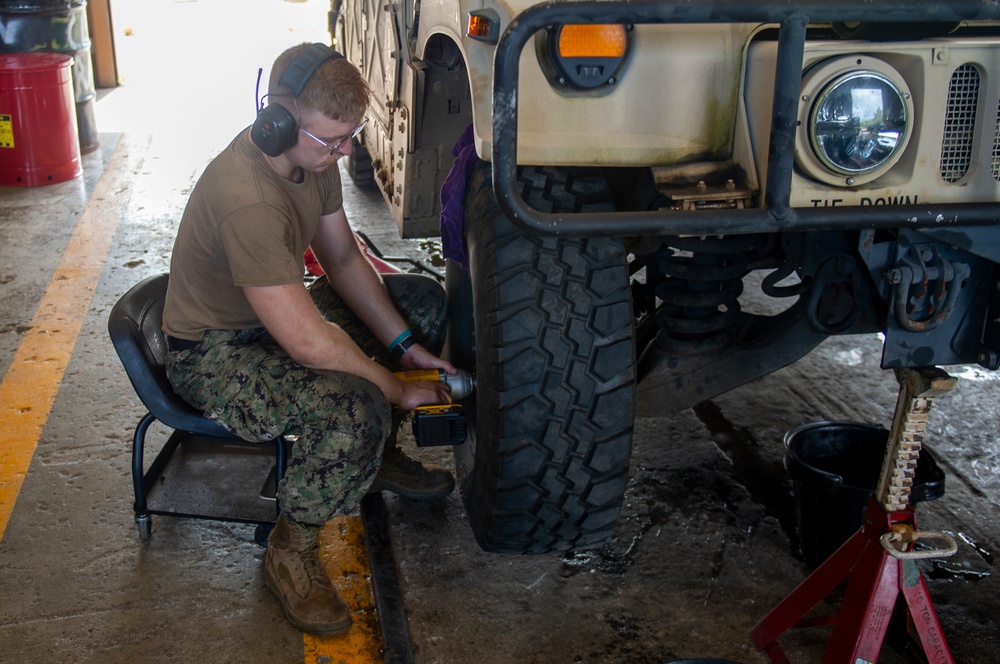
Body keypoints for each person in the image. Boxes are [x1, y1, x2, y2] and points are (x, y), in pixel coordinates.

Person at [161, 42, 457, 636]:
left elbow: (343, 257)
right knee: (355, 406)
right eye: (332, 141)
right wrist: (397, 390)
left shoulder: (309, 162)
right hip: (216, 352)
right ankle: (290, 553)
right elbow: (306, 344)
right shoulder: (246, 199)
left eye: (352, 136)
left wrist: (404, 348)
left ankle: (375, 462)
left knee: (420, 303)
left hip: (273, 322)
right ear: (276, 122)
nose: (346, 152)